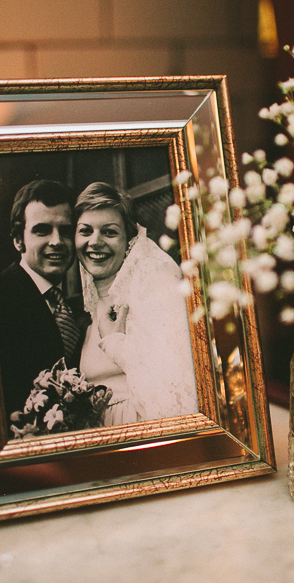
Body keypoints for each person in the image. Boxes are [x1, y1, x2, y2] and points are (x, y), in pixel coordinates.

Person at [73, 182, 199, 425]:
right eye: (85, 231)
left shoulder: (153, 288)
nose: (95, 241)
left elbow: (175, 386)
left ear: (129, 240)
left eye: (109, 232)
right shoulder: (92, 304)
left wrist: (116, 342)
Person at [0, 180, 89, 421]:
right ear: (18, 240)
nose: (56, 241)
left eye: (65, 231)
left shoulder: (70, 304)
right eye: (42, 230)